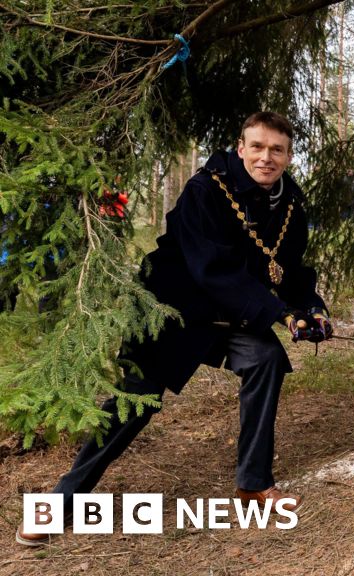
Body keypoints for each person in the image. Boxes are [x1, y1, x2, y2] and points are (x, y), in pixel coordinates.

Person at [16, 112, 332, 546]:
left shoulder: (291, 202)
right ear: (240, 148)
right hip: (175, 310)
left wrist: (310, 309)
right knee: (134, 402)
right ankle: (59, 503)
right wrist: (279, 313)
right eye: (257, 147)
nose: (266, 158)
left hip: (236, 313)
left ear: (288, 156)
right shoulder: (206, 190)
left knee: (266, 360)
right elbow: (212, 269)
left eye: (276, 149)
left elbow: (289, 270)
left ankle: (253, 484)